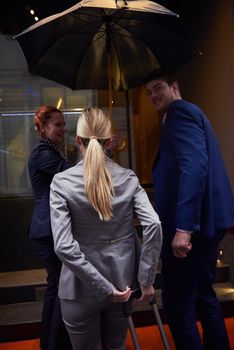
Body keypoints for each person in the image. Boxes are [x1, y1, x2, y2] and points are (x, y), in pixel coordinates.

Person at [49, 107, 162, 350]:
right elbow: (153, 223)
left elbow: (63, 246)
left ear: (77, 140)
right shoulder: (128, 178)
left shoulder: (61, 183)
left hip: (79, 289)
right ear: (109, 140)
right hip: (121, 282)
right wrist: (146, 279)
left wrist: (102, 287)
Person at [144, 68, 234, 350]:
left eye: (158, 88)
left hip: (193, 229)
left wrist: (183, 229)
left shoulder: (180, 113)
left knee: (177, 304)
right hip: (209, 225)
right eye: (148, 93)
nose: (153, 96)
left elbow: (194, 169)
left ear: (174, 86)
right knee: (204, 295)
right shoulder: (188, 114)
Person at [28, 105, 72, 350]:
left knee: (57, 286)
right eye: (57, 124)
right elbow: (70, 175)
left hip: (50, 228)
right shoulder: (42, 153)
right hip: (48, 229)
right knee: (58, 288)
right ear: (43, 128)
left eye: (64, 124)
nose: (63, 129)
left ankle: (51, 343)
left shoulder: (50, 150)